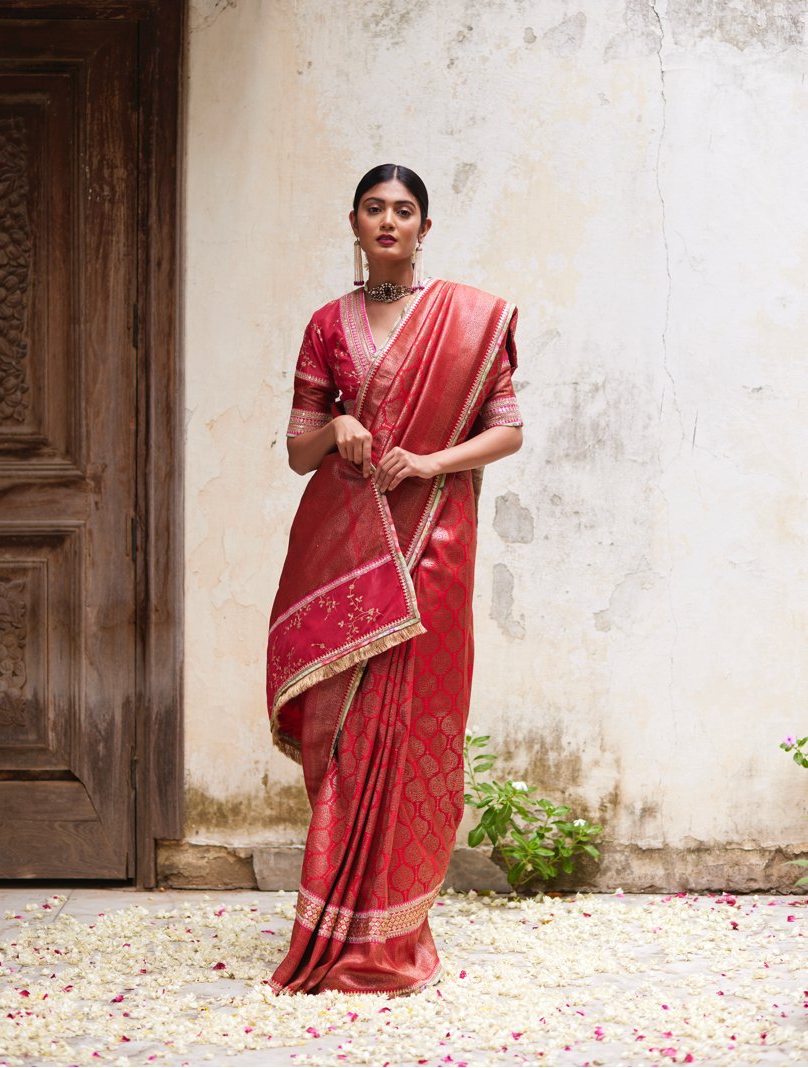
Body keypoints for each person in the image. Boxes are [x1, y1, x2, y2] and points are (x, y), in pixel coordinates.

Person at [265, 164, 523, 996]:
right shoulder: (326, 326)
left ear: (424, 227)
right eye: (374, 208)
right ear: (353, 221)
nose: (388, 221)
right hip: (345, 547)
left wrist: (431, 460)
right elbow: (300, 450)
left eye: (403, 210)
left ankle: (394, 929)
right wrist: (339, 422)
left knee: (410, 729)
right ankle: (333, 919)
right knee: (339, 731)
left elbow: (507, 430)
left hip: (431, 547)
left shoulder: (468, 320)